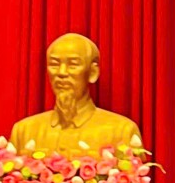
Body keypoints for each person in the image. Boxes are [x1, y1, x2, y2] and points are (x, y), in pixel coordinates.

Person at [9, 33, 142, 157]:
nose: (61, 73)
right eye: (54, 64)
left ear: (93, 72)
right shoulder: (24, 131)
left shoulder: (121, 131)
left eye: (73, 64)